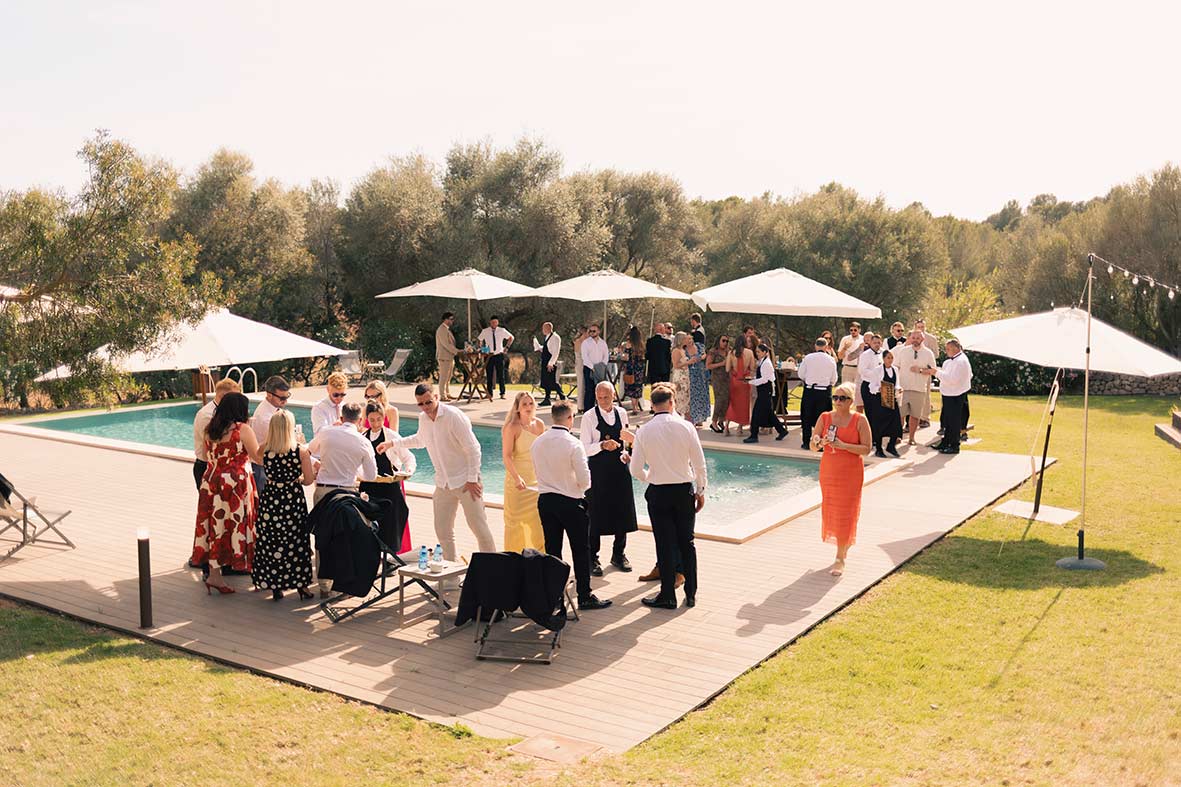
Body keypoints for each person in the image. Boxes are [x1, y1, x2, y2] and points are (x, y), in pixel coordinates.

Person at [380, 385, 496, 560]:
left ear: (437, 397)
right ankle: (451, 575)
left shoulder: (454, 416)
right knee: (442, 530)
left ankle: (493, 569)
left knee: (478, 526)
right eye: (421, 404)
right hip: (443, 483)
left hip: (466, 481)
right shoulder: (423, 418)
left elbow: (474, 449)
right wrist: (392, 443)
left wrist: (473, 479)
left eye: (428, 402)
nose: (426, 407)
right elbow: (420, 440)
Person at [630, 383, 707, 609]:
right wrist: (700, 491)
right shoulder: (686, 427)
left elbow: (635, 469)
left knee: (663, 544)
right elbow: (699, 464)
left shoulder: (643, 431)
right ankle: (690, 593)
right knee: (687, 542)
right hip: (683, 490)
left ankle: (667, 595)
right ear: (672, 403)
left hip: (659, 491)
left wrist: (649, 476)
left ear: (652, 406)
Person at [530, 401, 612, 611]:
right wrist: (574, 486)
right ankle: (584, 595)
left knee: (553, 549)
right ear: (569, 418)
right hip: (570, 501)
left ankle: (555, 596)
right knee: (580, 550)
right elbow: (585, 481)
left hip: (546, 500)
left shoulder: (537, 443)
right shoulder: (573, 444)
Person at [191, 392, 261, 594]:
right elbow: (257, 457)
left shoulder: (209, 429)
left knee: (215, 526)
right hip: (235, 484)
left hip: (212, 481)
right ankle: (251, 570)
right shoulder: (242, 430)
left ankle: (214, 575)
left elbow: (205, 456)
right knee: (239, 525)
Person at [307, 401, 379, 595]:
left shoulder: (327, 432)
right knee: (344, 539)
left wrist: (316, 465)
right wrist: (354, 471)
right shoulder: (363, 442)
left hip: (323, 491)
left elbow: (306, 452)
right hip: (346, 494)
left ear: (341, 417)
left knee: (323, 537)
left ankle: (324, 584)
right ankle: (342, 583)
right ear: (360, 420)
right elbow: (371, 476)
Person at [251, 410, 315, 602]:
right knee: (296, 541)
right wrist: (297, 479)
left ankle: (275, 585)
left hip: (271, 499)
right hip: (292, 499)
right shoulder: (301, 451)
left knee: (271, 541)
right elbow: (309, 480)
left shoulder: (264, 449)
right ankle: (301, 586)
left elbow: (260, 462)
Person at [810, 382, 872, 577]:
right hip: (829, 470)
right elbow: (813, 446)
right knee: (832, 509)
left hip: (851, 471)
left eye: (842, 398)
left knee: (847, 510)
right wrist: (818, 442)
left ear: (851, 401)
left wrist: (844, 445)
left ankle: (840, 557)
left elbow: (866, 448)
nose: (837, 401)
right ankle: (842, 546)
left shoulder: (860, 420)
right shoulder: (825, 417)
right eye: (835, 398)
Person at [581, 381, 638, 576]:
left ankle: (618, 554)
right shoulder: (589, 417)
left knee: (622, 511)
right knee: (595, 514)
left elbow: (625, 442)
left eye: (606, 397)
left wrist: (627, 453)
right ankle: (592, 557)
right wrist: (602, 445)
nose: (603, 401)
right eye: (599, 398)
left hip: (619, 468)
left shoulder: (621, 413)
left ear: (613, 396)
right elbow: (584, 447)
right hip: (598, 471)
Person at [359, 401, 415, 555]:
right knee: (369, 525)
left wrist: (408, 470)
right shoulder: (363, 437)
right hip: (369, 486)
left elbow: (408, 457)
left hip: (389, 487)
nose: (376, 423)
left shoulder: (391, 436)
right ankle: (372, 559)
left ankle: (389, 560)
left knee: (391, 524)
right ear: (367, 420)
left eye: (379, 419)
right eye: (372, 420)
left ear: (383, 418)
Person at [501, 392, 546, 552]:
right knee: (515, 524)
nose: (528, 407)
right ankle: (513, 561)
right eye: (524, 404)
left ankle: (539, 559)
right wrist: (517, 478)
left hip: (536, 482)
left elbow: (543, 453)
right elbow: (506, 456)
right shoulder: (512, 427)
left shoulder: (539, 424)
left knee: (538, 523)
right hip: (517, 483)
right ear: (518, 408)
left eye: (530, 404)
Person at [923, 339, 973, 454]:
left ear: (956, 348)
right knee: (948, 421)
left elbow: (953, 379)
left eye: (948, 349)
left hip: (956, 394)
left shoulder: (961, 361)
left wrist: (935, 372)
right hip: (949, 393)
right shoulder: (950, 361)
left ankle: (954, 446)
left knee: (954, 421)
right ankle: (945, 442)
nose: (946, 351)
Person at [192, 378, 241, 491]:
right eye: (235, 398)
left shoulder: (226, 412)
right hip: (207, 466)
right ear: (224, 397)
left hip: (222, 467)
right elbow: (214, 444)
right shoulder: (206, 415)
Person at [249, 375, 292, 494]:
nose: (285, 401)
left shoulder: (273, 409)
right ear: (269, 395)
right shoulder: (266, 418)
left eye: (287, 396)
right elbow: (284, 445)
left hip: (267, 465)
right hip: (264, 468)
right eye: (282, 398)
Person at [797, 338, 838, 449]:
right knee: (824, 419)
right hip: (824, 391)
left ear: (815, 346)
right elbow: (834, 379)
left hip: (810, 390)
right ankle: (821, 443)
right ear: (826, 347)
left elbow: (801, 374)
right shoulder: (831, 360)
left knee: (807, 417)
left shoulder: (808, 358)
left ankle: (806, 442)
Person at [898, 330, 936, 446]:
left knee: (915, 415)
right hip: (903, 388)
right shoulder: (903, 351)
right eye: (913, 338)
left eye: (917, 338)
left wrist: (920, 370)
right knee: (900, 415)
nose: (915, 340)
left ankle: (912, 438)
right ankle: (898, 436)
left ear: (922, 339)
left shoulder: (928, 353)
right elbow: (895, 367)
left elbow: (933, 371)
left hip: (919, 388)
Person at [744, 344, 789, 443]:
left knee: (756, 414)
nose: (757, 354)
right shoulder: (762, 362)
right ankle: (782, 431)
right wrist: (752, 379)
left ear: (764, 352)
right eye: (756, 352)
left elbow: (764, 379)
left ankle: (754, 435)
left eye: (759, 352)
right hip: (764, 391)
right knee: (769, 414)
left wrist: (751, 382)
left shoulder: (766, 363)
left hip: (765, 391)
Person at [873, 350, 904, 457]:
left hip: (892, 401)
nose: (890, 360)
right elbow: (871, 386)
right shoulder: (877, 370)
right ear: (883, 358)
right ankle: (878, 448)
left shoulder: (895, 369)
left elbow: (897, 384)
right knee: (880, 425)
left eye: (891, 358)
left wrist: (899, 389)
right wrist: (880, 388)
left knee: (896, 424)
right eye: (888, 358)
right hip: (880, 402)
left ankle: (891, 446)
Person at [725, 334, 755, 437]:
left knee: (732, 404)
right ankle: (739, 428)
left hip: (734, 381)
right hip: (744, 381)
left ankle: (726, 426)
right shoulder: (749, 352)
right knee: (743, 405)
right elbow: (752, 368)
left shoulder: (731, 353)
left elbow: (727, 369)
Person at [478, 316, 514, 400]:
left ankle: (502, 393)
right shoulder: (485, 331)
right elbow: (479, 339)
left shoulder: (501, 330)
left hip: (499, 354)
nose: (494, 324)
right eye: (493, 322)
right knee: (489, 375)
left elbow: (511, 338)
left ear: (497, 323)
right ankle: (489, 393)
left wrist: (507, 347)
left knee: (501, 375)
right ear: (490, 322)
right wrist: (481, 348)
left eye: (496, 322)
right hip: (488, 355)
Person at [578, 323, 610, 413]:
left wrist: (602, 366)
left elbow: (606, 355)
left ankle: (601, 409)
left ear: (598, 331)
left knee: (601, 390)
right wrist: (592, 367)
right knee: (589, 390)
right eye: (590, 331)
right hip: (589, 368)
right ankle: (588, 411)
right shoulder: (586, 343)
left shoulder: (603, 343)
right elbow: (585, 357)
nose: (592, 332)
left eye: (594, 331)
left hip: (600, 369)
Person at [914, 318, 940, 427]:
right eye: (918, 327)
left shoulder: (931, 339)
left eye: (922, 327)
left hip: (926, 370)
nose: (921, 329)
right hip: (912, 371)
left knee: (926, 394)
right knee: (913, 394)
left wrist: (926, 358)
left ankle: (925, 418)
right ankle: (915, 417)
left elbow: (936, 354)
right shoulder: (911, 337)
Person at [532, 321, 565, 406]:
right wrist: (538, 346)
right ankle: (547, 399)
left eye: (544, 328)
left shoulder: (555, 338)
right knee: (546, 381)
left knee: (552, 381)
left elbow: (555, 351)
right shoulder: (547, 337)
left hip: (550, 362)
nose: (542, 330)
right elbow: (547, 348)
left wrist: (551, 363)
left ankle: (563, 396)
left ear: (549, 328)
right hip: (545, 361)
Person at [837, 322, 865, 408]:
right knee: (845, 391)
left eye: (855, 330)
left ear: (859, 330)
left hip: (859, 369)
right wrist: (845, 348)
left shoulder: (863, 339)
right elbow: (840, 356)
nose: (853, 331)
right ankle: (845, 409)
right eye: (851, 330)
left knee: (858, 392)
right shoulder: (845, 339)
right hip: (847, 367)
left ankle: (857, 414)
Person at [619, 325, 646, 414]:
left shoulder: (628, 344)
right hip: (640, 368)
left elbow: (626, 357)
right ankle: (636, 407)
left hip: (631, 367)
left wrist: (621, 354)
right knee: (638, 387)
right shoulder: (641, 344)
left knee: (631, 386)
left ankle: (634, 406)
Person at [706, 335, 731, 433]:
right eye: (723, 340)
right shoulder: (713, 352)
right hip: (717, 378)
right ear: (719, 341)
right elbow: (708, 366)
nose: (725, 343)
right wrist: (721, 364)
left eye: (727, 341)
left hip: (727, 378)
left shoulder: (728, 351)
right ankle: (714, 422)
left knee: (726, 399)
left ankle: (722, 420)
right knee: (719, 400)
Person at [687, 330, 711, 426]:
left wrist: (701, 357)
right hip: (691, 374)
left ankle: (701, 418)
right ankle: (693, 418)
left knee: (701, 395)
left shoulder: (700, 346)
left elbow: (705, 354)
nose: (689, 340)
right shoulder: (684, 349)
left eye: (690, 338)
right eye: (687, 339)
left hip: (701, 373)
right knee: (693, 396)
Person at [858, 331, 883, 421]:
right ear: (870, 343)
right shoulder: (865, 355)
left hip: (881, 386)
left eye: (878, 342)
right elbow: (862, 370)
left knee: (880, 411)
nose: (877, 344)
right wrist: (876, 374)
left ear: (881, 343)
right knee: (870, 411)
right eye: (874, 343)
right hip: (868, 385)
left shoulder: (884, 353)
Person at [435, 312, 460, 401]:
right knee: (443, 377)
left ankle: (447, 393)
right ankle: (442, 396)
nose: (452, 321)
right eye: (451, 319)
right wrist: (457, 351)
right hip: (444, 357)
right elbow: (446, 344)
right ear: (445, 319)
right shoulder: (441, 330)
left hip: (449, 357)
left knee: (448, 377)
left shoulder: (446, 329)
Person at [670, 331, 693, 420]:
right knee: (680, 399)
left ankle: (687, 420)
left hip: (685, 377)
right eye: (685, 338)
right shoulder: (676, 351)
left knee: (686, 399)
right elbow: (675, 365)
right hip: (679, 377)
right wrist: (688, 362)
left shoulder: (683, 350)